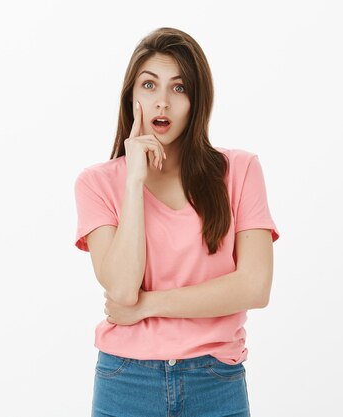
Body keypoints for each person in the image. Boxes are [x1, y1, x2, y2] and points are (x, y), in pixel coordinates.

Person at [73, 27, 279, 417]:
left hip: (215, 379)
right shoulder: (97, 183)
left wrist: (147, 306)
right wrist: (133, 180)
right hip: (125, 380)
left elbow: (255, 286)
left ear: (196, 101)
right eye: (149, 86)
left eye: (179, 88)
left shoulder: (239, 170)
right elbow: (121, 287)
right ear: (131, 97)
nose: (162, 103)